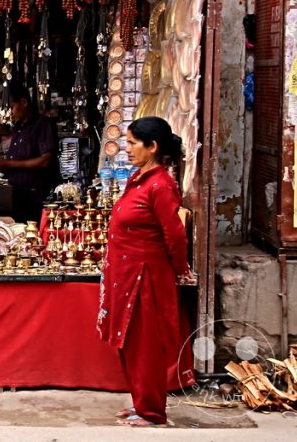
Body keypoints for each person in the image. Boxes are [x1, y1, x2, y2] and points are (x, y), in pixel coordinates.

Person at [100, 116, 195, 427]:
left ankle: (152, 411)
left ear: (152, 147)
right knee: (129, 340)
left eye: (132, 143)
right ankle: (141, 402)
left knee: (145, 344)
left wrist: (180, 270)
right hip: (126, 275)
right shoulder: (139, 178)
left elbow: (175, 235)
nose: (127, 149)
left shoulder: (161, 185)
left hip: (146, 277)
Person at [0, 84, 59, 222]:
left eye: (11, 108)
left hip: (35, 198)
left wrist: (9, 164)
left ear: (23, 102)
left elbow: (45, 160)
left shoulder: (43, 125)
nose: (10, 113)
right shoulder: (19, 128)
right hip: (17, 196)